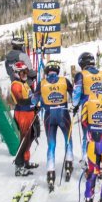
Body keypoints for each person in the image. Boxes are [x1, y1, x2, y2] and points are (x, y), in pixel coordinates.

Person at [40, 60, 74, 191]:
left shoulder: (42, 83)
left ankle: (50, 172)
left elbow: (34, 99)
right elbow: (74, 95)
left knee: (51, 145)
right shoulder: (64, 81)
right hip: (63, 113)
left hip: (49, 115)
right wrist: (76, 105)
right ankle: (69, 164)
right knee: (68, 140)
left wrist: (42, 103)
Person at [10, 62, 39, 176]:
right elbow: (21, 100)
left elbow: (30, 97)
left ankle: (26, 161)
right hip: (22, 113)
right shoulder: (15, 85)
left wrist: (35, 107)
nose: (25, 75)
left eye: (26, 72)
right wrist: (33, 101)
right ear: (16, 73)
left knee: (31, 136)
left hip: (29, 112)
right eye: (22, 73)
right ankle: (19, 165)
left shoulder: (25, 84)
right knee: (24, 139)